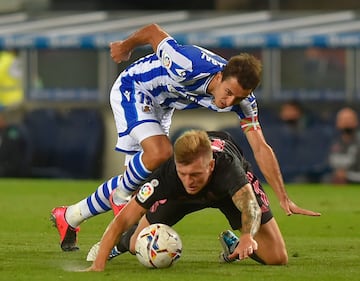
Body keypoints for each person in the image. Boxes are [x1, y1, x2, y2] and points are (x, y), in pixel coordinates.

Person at [51, 23, 310, 251]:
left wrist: (283, 197)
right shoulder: (188, 63)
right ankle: (120, 198)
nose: (230, 101)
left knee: (150, 181)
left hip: (163, 106)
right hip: (134, 88)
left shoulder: (243, 102)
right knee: (159, 155)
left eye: (239, 97)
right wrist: (124, 46)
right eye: (228, 92)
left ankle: (71, 216)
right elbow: (153, 31)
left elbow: (260, 147)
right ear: (219, 76)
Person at [83, 130, 320, 272]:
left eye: (195, 174)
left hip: (226, 195)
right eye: (183, 173)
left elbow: (249, 205)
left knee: (277, 258)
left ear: (211, 165)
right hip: (179, 199)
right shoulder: (166, 176)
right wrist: (99, 264)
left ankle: (234, 243)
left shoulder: (228, 169)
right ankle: (120, 246)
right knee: (137, 243)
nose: (189, 180)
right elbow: (123, 218)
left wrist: (248, 236)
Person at [327, 107, 360, 184]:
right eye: (343, 119)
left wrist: (347, 176)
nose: (346, 122)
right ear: (337, 123)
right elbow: (325, 166)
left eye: (349, 119)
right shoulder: (331, 142)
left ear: (356, 122)